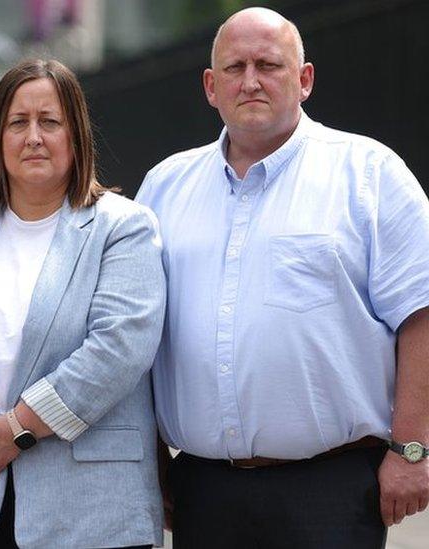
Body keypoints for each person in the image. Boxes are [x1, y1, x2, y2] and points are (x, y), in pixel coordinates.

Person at [135, 7, 429, 549]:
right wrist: (147, 456)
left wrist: (413, 449)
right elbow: (139, 336)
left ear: (305, 79)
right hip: (203, 488)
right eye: (234, 67)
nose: (250, 81)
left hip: (332, 489)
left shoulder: (369, 174)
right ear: (210, 86)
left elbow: (421, 316)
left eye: (269, 64)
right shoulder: (163, 187)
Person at [0, 58, 167, 548]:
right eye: (17, 123)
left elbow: (119, 350)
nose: (33, 137)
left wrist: (16, 429)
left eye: (50, 122)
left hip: (92, 510)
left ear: (76, 136)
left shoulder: (124, 227)